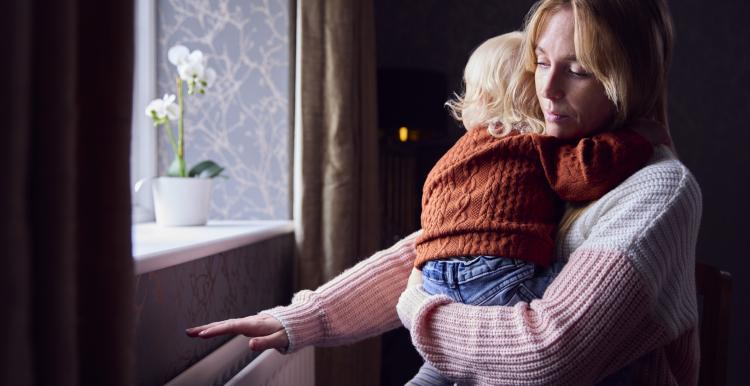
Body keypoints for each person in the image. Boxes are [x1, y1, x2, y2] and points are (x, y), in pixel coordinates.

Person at [187, 0, 700, 384]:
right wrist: (301, 318)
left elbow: (545, 351)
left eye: (579, 69)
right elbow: (442, 248)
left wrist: (419, 308)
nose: (546, 90)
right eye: (541, 62)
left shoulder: (656, 189)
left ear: (627, 78)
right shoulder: (557, 154)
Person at [407, 31, 653, 386]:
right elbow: (584, 172)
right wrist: (638, 139)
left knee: (441, 369)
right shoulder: (533, 142)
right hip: (496, 271)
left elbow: (430, 206)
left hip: (433, 276)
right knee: (599, 325)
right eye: (540, 68)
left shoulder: (455, 153)